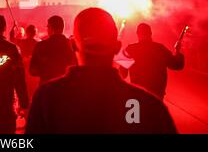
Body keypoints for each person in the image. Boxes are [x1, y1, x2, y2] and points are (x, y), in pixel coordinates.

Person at [26, 8, 177, 134]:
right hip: (153, 92)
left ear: (72, 45)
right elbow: (176, 64)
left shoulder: (46, 99)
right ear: (117, 47)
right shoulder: (150, 106)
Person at [124, 23, 185, 99]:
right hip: (156, 96)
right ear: (150, 33)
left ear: (137, 34)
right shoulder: (160, 49)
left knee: (137, 110)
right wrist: (177, 50)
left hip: (137, 94)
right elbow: (177, 65)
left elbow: (122, 74)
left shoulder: (130, 49)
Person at [29, 16, 76, 85]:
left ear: (51, 28)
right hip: (68, 88)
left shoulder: (41, 46)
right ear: (62, 27)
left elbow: (32, 71)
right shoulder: (72, 45)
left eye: (47, 27)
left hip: (47, 88)